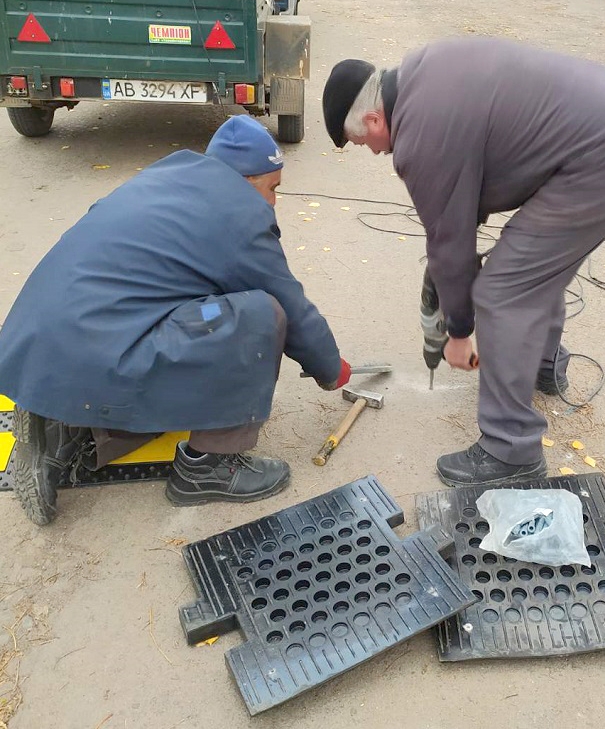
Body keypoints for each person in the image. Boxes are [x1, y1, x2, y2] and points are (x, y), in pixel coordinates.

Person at [322, 38, 605, 487]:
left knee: (504, 291)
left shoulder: (419, 134)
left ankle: (511, 450)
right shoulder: (423, 72)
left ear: (373, 117)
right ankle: (543, 365)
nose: (374, 151)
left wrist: (459, 333)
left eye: (363, 141)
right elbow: (467, 195)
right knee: (531, 268)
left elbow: (451, 240)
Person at [0, 115, 351, 525]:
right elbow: (290, 304)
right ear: (244, 179)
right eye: (272, 188)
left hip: (39, 343)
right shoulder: (237, 215)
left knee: (197, 303)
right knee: (260, 314)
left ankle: (67, 426)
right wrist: (331, 369)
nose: (272, 202)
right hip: (102, 346)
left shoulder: (167, 176)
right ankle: (206, 468)